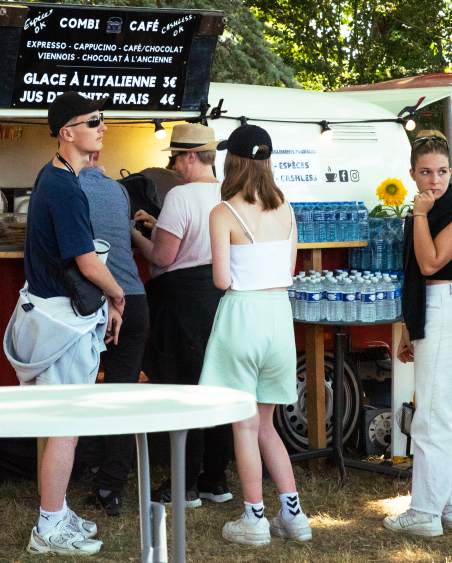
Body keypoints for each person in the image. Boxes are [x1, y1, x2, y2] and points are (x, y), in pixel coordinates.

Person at [2, 92, 126, 556]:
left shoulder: (55, 178)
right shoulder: (63, 186)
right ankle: (48, 527)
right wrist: (117, 295)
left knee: (63, 425)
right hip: (61, 322)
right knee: (65, 425)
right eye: (93, 121)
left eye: (103, 119)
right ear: (66, 132)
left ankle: (56, 512)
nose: (102, 126)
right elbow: (87, 261)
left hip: (51, 315)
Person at [199, 123, 310, 545]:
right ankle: (293, 515)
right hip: (279, 318)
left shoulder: (223, 212)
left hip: (241, 316)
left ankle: (255, 518)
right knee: (267, 426)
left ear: (233, 162)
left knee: (244, 428)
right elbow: (289, 270)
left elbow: (222, 279)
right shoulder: (286, 208)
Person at [384, 130, 452, 537]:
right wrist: (412, 329)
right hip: (434, 314)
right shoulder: (431, 208)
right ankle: (450, 505)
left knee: (430, 417)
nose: (435, 180)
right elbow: (419, 276)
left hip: (444, 312)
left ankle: (425, 512)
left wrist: (421, 214)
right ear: (412, 173)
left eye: (442, 171)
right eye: (426, 172)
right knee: (446, 415)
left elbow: (429, 265)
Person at [131, 122, 233, 507]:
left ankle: (183, 485)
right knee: (218, 386)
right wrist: (159, 227)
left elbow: (163, 256)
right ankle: (215, 479)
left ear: (192, 156)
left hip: (183, 301)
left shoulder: (180, 195)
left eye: (176, 157)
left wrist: (134, 235)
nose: (173, 165)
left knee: (184, 390)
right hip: (221, 297)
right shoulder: (230, 192)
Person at [76, 152, 150, 516]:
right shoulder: (118, 191)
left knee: (80, 389)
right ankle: (111, 487)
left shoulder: (65, 187)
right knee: (122, 394)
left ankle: (88, 465)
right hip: (135, 298)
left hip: (95, 300)